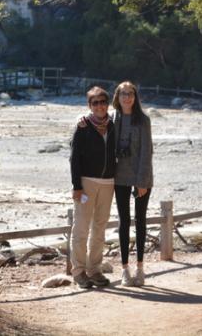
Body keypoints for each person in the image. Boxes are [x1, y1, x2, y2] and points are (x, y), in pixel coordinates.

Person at [69, 86, 116, 288]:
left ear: (108, 103)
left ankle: (94, 269)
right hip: (87, 182)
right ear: (89, 105)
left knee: (100, 228)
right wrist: (76, 186)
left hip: (108, 183)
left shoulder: (114, 124)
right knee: (81, 228)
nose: (100, 106)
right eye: (95, 102)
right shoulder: (83, 126)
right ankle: (78, 271)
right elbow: (74, 158)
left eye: (103, 101)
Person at [112, 81, 153, 286]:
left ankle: (140, 268)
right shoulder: (113, 119)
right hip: (119, 177)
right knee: (123, 222)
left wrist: (142, 181)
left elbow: (147, 152)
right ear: (117, 97)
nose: (127, 97)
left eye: (130, 94)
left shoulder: (143, 120)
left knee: (141, 221)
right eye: (123, 94)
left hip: (140, 177)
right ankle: (125, 269)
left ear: (135, 97)